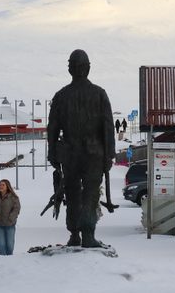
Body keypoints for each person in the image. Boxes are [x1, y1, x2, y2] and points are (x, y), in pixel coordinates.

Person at [46, 49, 116, 248]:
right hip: (94, 155)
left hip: (70, 155)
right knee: (90, 194)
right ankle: (88, 234)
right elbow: (108, 127)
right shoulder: (99, 94)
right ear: (88, 68)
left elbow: (53, 128)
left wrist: (52, 152)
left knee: (72, 193)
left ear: (70, 69)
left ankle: (75, 233)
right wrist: (109, 155)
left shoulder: (61, 96)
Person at [0, 178, 21, 255]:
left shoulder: (13, 197)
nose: (1, 186)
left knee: (10, 245)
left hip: (10, 224)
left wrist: (11, 217)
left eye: (3, 185)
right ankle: (2, 262)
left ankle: (9, 261)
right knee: (1, 245)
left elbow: (17, 208)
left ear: (7, 186)